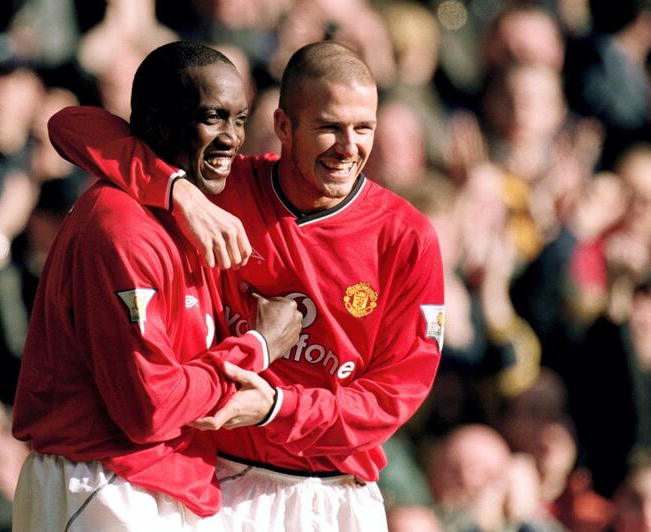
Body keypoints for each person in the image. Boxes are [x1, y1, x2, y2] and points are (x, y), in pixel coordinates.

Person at [49, 40, 444, 530]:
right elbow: (69, 126)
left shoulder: (406, 237)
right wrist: (176, 192)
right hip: (222, 482)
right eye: (329, 128)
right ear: (283, 127)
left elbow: (396, 394)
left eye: (363, 128)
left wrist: (278, 407)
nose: (349, 148)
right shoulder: (225, 184)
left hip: (334, 493)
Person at [11, 41, 302, 531]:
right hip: (103, 485)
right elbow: (149, 409)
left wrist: (175, 189)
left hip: (164, 484)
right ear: (155, 123)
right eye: (213, 116)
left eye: (239, 118)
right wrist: (256, 348)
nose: (232, 137)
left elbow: (71, 125)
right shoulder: (120, 228)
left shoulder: (206, 196)